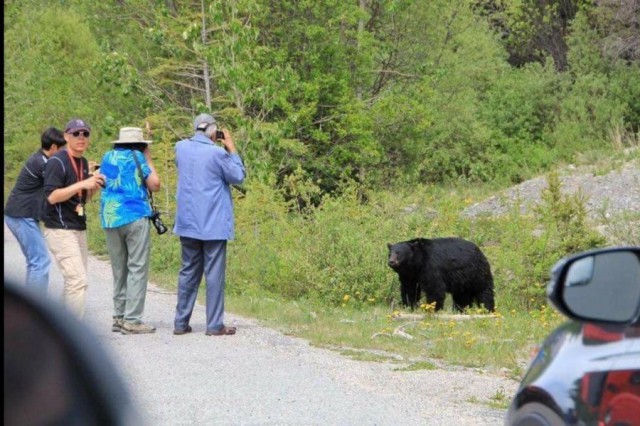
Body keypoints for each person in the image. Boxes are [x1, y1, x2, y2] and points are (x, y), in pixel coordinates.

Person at [172, 113, 246, 336]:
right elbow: (238, 176)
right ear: (214, 132)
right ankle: (214, 325)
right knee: (213, 275)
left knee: (188, 272)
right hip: (213, 224)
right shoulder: (217, 153)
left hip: (188, 222)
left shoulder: (180, 148)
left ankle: (180, 323)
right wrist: (231, 148)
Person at [99, 127, 161, 334]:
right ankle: (133, 320)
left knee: (119, 268)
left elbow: (103, 182)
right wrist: (148, 159)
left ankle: (118, 316)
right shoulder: (138, 157)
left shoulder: (108, 157)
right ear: (141, 145)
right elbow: (155, 184)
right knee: (137, 266)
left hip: (110, 217)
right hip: (134, 216)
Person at [42, 118, 105, 318]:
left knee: (75, 281)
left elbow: (81, 197)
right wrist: (82, 184)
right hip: (59, 228)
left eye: (85, 134)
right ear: (66, 136)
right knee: (77, 282)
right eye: (76, 133)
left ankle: (58, 327)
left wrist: (93, 187)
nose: (81, 138)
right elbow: (52, 197)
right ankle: (72, 338)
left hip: (77, 225)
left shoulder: (83, 162)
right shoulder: (56, 161)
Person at [4, 127, 67, 293]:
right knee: (40, 261)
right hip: (21, 215)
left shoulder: (42, 159)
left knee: (36, 261)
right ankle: (33, 313)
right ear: (53, 147)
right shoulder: (41, 163)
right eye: (62, 149)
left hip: (20, 215)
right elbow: (61, 184)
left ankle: (28, 309)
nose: (65, 152)